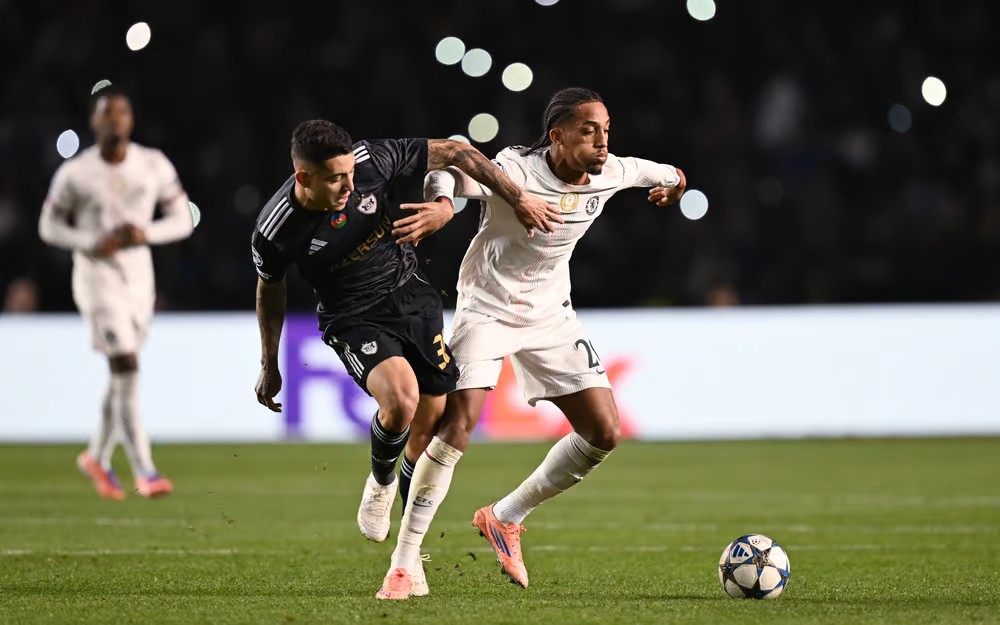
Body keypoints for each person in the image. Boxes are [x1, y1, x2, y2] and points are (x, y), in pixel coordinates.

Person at [376, 87, 687, 599]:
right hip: (487, 309)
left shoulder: (613, 171)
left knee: (604, 431)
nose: (602, 141)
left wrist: (675, 187)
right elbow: (449, 167)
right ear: (557, 135)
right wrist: (443, 205)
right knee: (456, 428)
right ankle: (404, 562)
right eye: (588, 130)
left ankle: (505, 516)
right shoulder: (515, 171)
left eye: (606, 129)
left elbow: (669, 173)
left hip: (551, 316)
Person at [250, 119, 561, 598]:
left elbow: (456, 151)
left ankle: (409, 554)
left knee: (431, 420)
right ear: (303, 178)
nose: (349, 186)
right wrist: (270, 363)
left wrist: (458, 205)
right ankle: (380, 482)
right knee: (401, 400)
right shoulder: (276, 229)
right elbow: (270, 292)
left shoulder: (369, 160)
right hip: (353, 318)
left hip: (412, 299)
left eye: (349, 174)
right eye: (335, 179)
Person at [38, 85, 195, 500]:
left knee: (123, 373)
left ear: (130, 119)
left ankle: (96, 456)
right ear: (95, 120)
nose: (115, 120)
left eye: (121, 112)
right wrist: (90, 241)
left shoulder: (152, 164)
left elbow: (182, 219)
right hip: (96, 278)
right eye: (107, 113)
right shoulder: (75, 172)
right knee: (126, 362)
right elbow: (48, 226)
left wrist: (146, 233)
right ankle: (145, 468)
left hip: (139, 278)